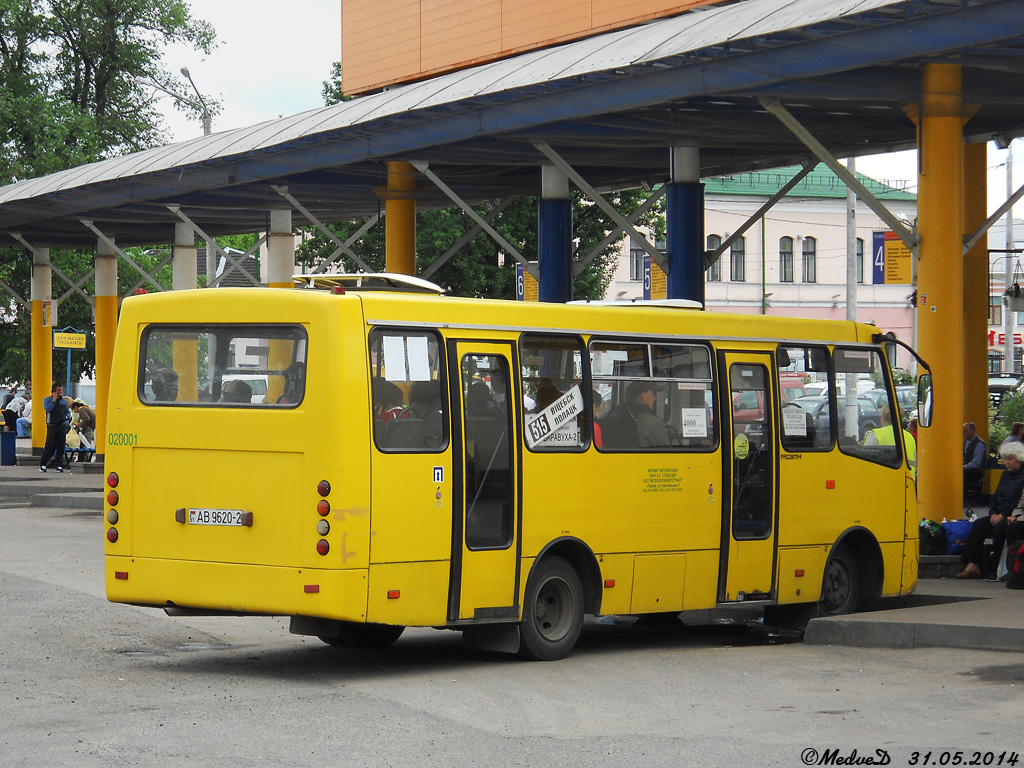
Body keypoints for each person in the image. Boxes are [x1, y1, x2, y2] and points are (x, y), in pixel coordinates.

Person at [956, 440, 1024, 579]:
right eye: (1005, 459)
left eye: (1010, 459)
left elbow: (1017, 502)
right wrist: (993, 513)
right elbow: (996, 496)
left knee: (1001, 528)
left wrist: (1003, 515)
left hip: (1012, 515)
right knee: (979, 525)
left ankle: (995, 569)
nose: (1007, 463)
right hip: (999, 513)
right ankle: (972, 564)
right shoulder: (1005, 475)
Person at [863, 405, 916, 475]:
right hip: (907, 482)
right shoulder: (909, 437)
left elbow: (865, 462)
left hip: (885, 481)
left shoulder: (876, 435)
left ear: (882, 418)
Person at [626, 380, 671, 448]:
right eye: (653, 394)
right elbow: (667, 452)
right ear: (643, 396)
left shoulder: (617, 414)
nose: (655, 398)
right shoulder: (653, 422)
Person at [39, 382, 72, 473]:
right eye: (58, 390)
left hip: (61, 426)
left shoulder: (63, 401)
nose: (60, 392)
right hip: (51, 426)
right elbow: (48, 409)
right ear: (54, 390)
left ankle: (59, 465)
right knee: (49, 445)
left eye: (61, 390)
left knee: (61, 446)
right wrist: (54, 401)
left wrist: (67, 417)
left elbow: (67, 412)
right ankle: (43, 464)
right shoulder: (47, 400)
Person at [963, 422, 986, 492]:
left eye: (965, 431)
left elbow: (976, 463)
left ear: (972, 431)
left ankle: (963, 496)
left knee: (962, 474)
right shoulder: (965, 443)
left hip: (976, 471)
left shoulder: (979, 444)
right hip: (967, 467)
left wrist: (962, 467)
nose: (963, 433)